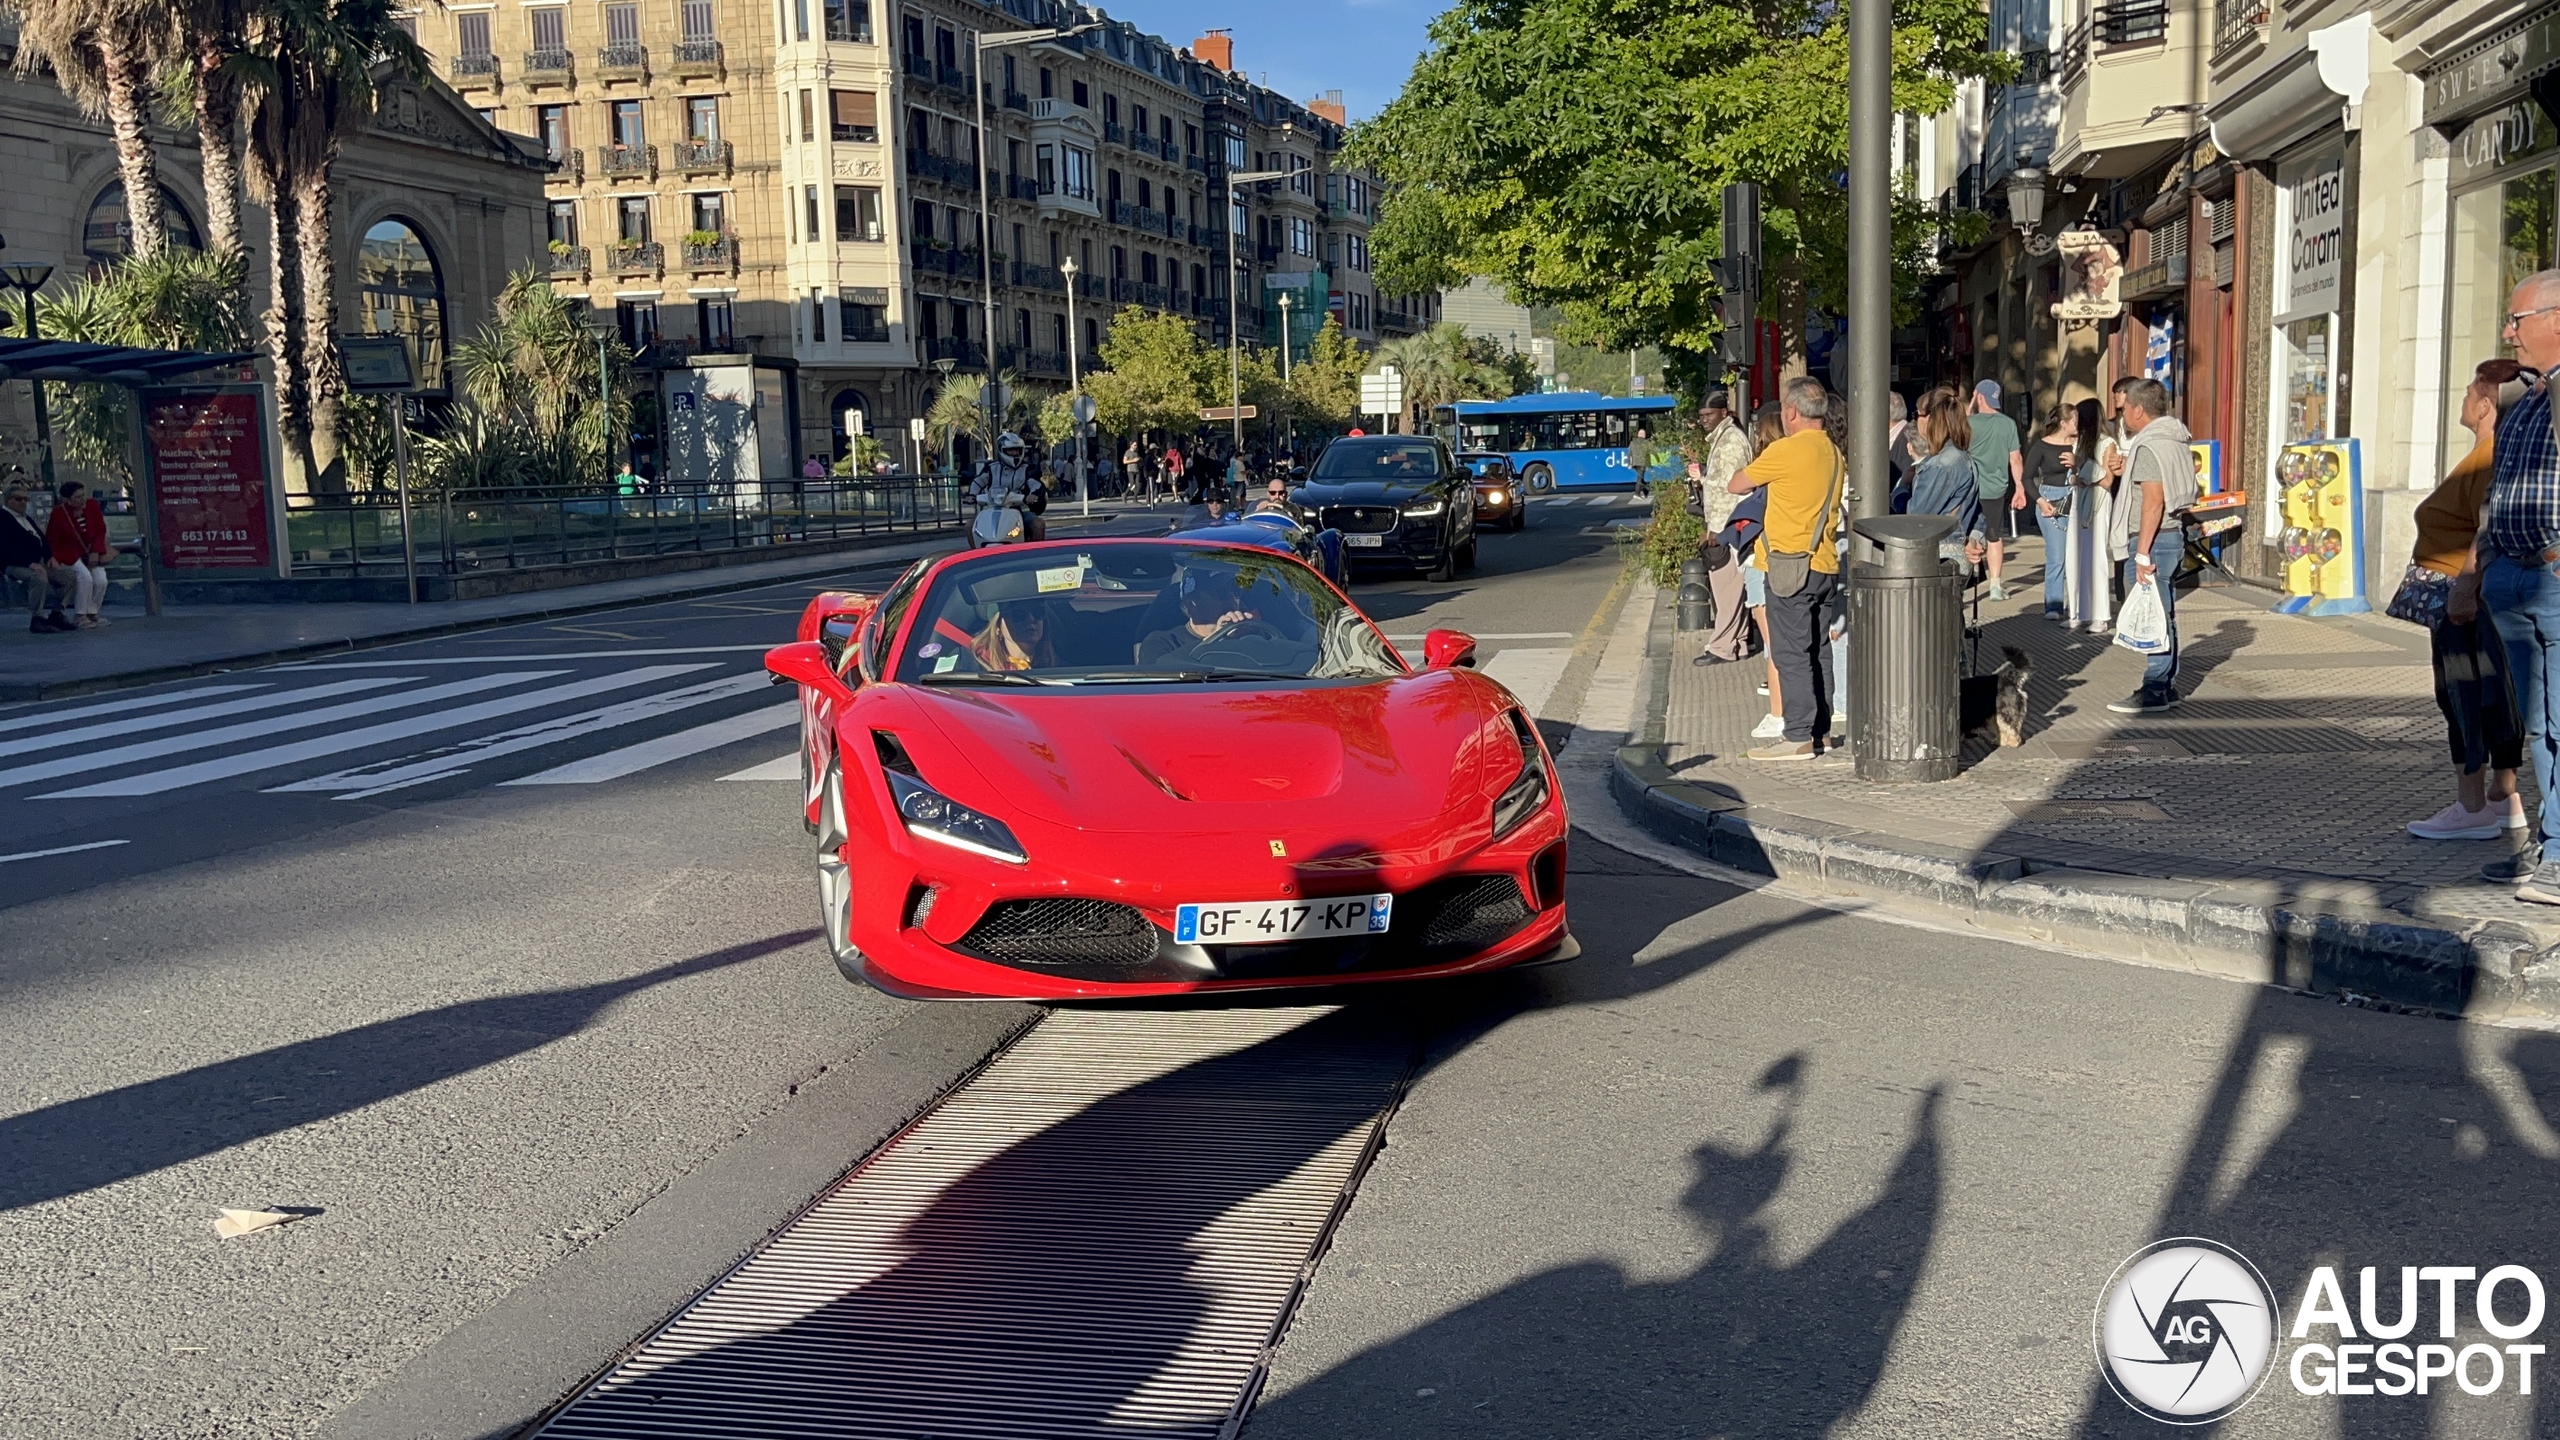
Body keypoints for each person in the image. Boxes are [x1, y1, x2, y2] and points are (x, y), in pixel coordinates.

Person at [2412, 358, 2534, 841]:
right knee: (2491, 692)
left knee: (2465, 694)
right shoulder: (2492, 451)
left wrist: (2464, 585)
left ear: (2485, 404)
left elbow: (2487, 528)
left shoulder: (2490, 456)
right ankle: (2503, 798)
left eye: (2468, 393)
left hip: (2466, 595)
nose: (2463, 400)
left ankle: (2472, 804)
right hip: (2472, 592)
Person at [2481, 268, 2560, 899]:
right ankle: (2550, 843)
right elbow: (2498, 490)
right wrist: (2482, 563)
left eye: (2518, 318)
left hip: (2553, 575)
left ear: (2557, 319)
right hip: (2510, 575)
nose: (2509, 331)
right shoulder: (2527, 397)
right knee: (2536, 726)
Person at [1727, 377, 1846, 760]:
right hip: (1826, 563)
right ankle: (1821, 733)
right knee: (1819, 651)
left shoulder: (1785, 451)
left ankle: (1797, 737)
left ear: (1791, 412)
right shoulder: (1833, 452)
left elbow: (1736, 483)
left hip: (1789, 566)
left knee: (1791, 653)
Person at [2103, 378, 2195, 715]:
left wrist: (2141, 553)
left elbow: (2152, 503)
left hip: (2153, 540)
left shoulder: (2149, 445)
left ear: (2138, 409)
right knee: (2164, 612)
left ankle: (2155, 687)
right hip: (2170, 537)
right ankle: (2166, 683)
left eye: (2124, 408)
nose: (2122, 414)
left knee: (2154, 615)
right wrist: (2130, 470)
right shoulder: (2174, 438)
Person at [1689, 391, 1757, 666]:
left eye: (1709, 415)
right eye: (1702, 416)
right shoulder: (1725, 438)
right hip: (1727, 523)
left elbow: (1734, 486)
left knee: (1725, 589)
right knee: (1729, 587)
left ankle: (1721, 647)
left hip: (1727, 524)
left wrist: (1704, 478)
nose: (1704, 420)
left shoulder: (1729, 442)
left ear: (1723, 413)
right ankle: (1737, 641)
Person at [1904, 388, 1989, 570]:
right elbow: (1977, 512)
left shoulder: (1941, 464)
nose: (1915, 420)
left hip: (1936, 559)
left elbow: (1915, 518)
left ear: (1930, 419)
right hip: (1954, 556)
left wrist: (1901, 489)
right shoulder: (1963, 457)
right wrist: (1974, 539)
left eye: (1917, 414)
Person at [1967, 381, 2026, 600]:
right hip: (1996, 489)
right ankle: (1995, 586)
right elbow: (2016, 459)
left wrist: (1971, 404)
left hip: (1971, 488)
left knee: (1967, 533)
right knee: (1993, 535)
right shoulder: (2008, 424)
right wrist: (2019, 487)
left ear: (1978, 396)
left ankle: (1966, 578)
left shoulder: (1968, 423)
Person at [2025, 405, 2080, 622]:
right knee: (2057, 555)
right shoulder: (2042, 446)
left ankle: (2077, 604)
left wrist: (2077, 463)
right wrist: (2039, 501)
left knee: (2075, 556)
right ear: (2064, 423)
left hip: (2076, 497)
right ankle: (2054, 604)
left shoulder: (2081, 445)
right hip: (2051, 500)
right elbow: (2027, 477)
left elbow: (2092, 469)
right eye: (2075, 420)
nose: (2079, 424)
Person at [1137, 570, 1261, 666]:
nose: (1231, 598)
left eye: (1236, 591)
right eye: (1220, 592)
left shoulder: (1247, 637)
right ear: (1192, 604)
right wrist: (1217, 640)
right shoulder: (1161, 642)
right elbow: (1158, 688)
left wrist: (1256, 636)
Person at [2, 486, 73, 633]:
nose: (23, 503)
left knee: (69, 577)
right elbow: (5, 549)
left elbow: (41, 539)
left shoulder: (26, 518)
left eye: (25, 499)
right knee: (38, 577)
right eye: (18, 499)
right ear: (7, 500)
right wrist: (29, 563)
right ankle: (37, 618)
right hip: (13, 563)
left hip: (37, 562)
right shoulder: (3, 519)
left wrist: (49, 557)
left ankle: (57, 613)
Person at [967, 431, 1047, 542]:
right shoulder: (991, 468)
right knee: (970, 526)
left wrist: (1033, 495)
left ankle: (1034, 555)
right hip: (991, 509)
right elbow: (978, 481)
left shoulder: (1029, 469)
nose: (1014, 453)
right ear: (1001, 450)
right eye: (1010, 450)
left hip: (1020, 510)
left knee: (1038, 524)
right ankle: (977, 556)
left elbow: (1036, 484)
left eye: (1017, 450)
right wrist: (971, 495)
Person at [55, 480, 111, 627]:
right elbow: (54, 539)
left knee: (101, 579)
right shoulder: (60, 514)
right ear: (67, 500)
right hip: (70, 553)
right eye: (77, 497)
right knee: (84, 577)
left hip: (90, 550)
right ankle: (80, 614)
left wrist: (96, 551)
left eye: (82, 495)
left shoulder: (92, 506)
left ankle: (93, 612)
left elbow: (100, 529)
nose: (82, 500)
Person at [1627, 426, 1654, 499]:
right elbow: (1649, 454)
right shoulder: (1646, 442)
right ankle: (1637, 493)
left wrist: (1629, 463)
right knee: (1640, 477)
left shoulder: (1632, 443)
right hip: (1642, 463)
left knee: (1641, 477)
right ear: (1643, 435)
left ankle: (1645, 491)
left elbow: (1629, 453)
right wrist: (1650, 465)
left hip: (1635, 463)